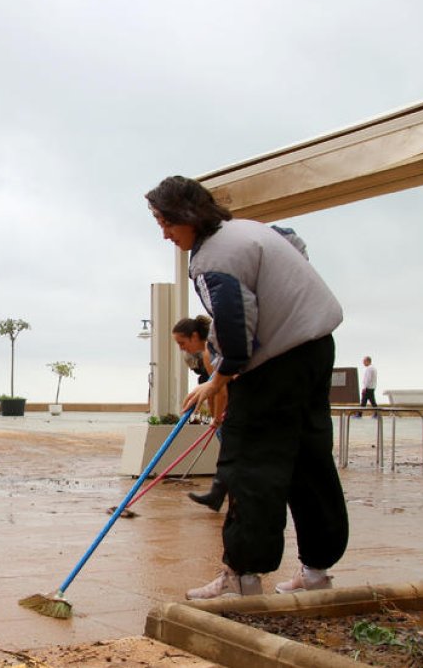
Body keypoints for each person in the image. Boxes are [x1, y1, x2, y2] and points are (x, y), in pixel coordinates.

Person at [147, 175, 349, 600]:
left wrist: (218, 378)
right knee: (309, 459)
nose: (163, 233)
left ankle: (242, 575)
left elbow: (236, 324)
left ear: (187, 215)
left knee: (249, 465)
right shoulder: (252, 231)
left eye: (164, 222)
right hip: (316, 349)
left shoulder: (213, 256)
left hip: (274, 364)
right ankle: (316, 570)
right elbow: (296, 245)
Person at [172, 316, 228, 512]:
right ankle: (219, 496)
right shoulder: (214, 349)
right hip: (229, 413)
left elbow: (221, 391)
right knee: (230, 457)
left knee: (231, 457)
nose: (182, 348)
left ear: (195, 336)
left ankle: (222, 497)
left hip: (231, 414)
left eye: (182, 343)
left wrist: (217, 419)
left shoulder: (209, 353)